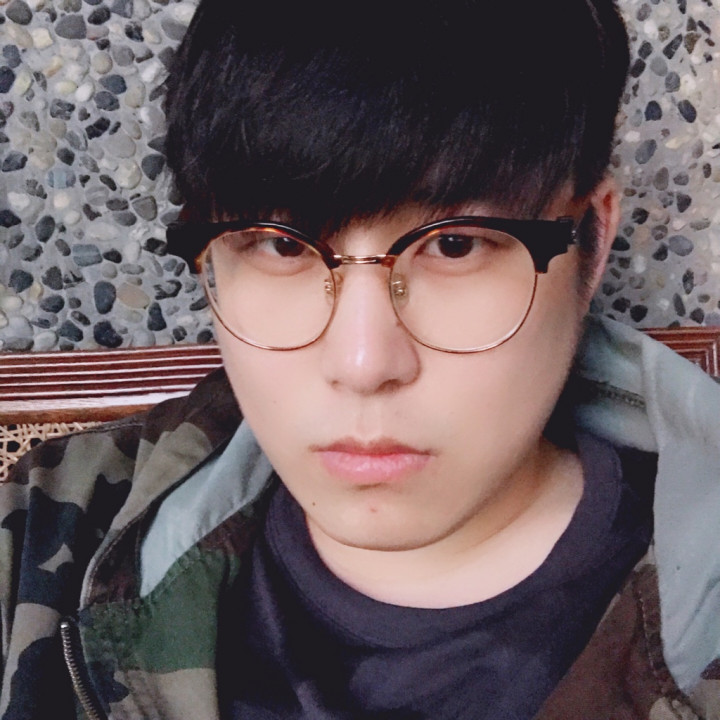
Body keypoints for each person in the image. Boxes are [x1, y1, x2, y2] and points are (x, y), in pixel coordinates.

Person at [1, 0, 719, 718]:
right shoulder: (44, 542)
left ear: (592, 239)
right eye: (281, 245)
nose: (365, 362)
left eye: (455, 245)